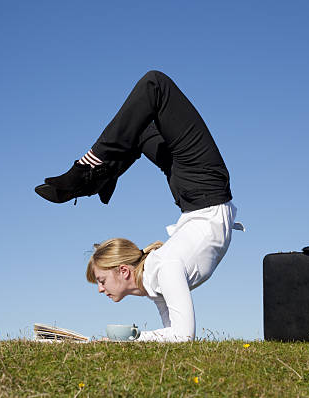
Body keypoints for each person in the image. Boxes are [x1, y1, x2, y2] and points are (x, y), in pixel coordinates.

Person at [36, 70, 243, 342]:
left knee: (149, 102)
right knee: (152, 92)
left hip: (198, 193)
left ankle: (92, 169)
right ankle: (99, 175)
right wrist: (127, 341)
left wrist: (129, 340)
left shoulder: (160, 272)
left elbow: (179, 337)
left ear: (123, 271)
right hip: (201, 190)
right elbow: (179, 337)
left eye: (101, 281)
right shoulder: (160, 276)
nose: (100, 289)